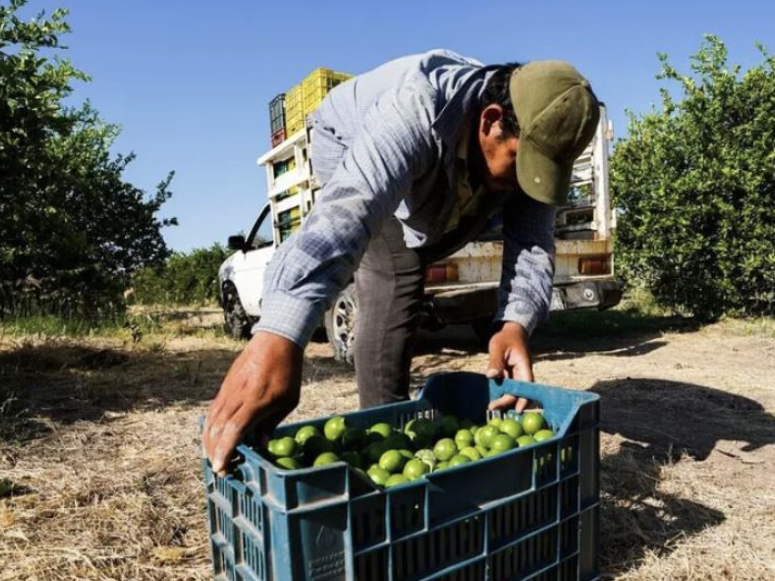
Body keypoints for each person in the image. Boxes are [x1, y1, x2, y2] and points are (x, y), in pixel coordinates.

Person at [204, 49, 600, 473]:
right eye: (522, 163)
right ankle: (383, 428)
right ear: (490, 121)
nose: (526, 180)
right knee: (397, 270)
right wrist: (280, 334)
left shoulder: (530, 137)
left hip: (443, 163)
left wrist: (514, 323)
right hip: (344, 140)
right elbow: (348, 212)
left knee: (455, 224)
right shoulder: (417, 108)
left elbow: (532, 239)